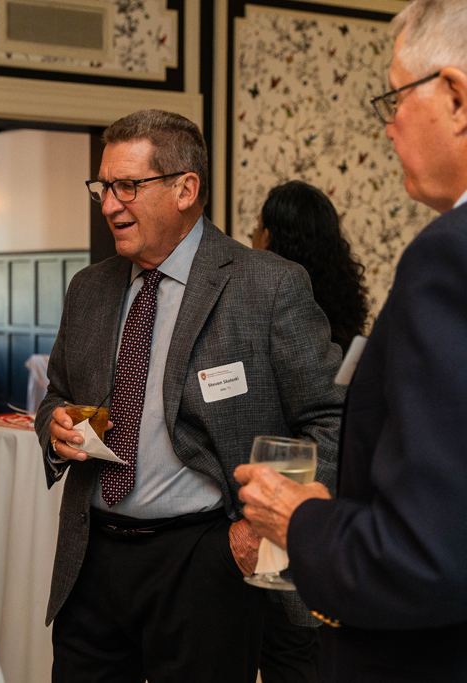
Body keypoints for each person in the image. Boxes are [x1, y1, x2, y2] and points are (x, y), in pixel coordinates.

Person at [37, 109, 345, 683]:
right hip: (92, 557)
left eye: (128, 186)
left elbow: (331, 421)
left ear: (185, 189)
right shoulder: (89, 289)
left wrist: (259, 534)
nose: (108, 204)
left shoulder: (267, 286)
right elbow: (57, 392)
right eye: (103, 187)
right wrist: (54, 426)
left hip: (205, 556)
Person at [236, 1, 467, 679]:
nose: (388, 124)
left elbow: (424, 553)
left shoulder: (447, 260)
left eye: (396, 95)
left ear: (456, 98)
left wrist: (300, 516)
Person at [251, 180, 369, 683]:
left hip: (285, 479)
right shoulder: (348, 306)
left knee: (284, 632)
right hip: (337, 483)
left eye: (259, 227)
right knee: (302, 645)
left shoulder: (274, 298)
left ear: (272, 233)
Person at [253, 180, 369, 354]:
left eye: (257, 227)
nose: (253, 236)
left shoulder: (262, 308)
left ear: (267, 239)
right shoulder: (343, 304)